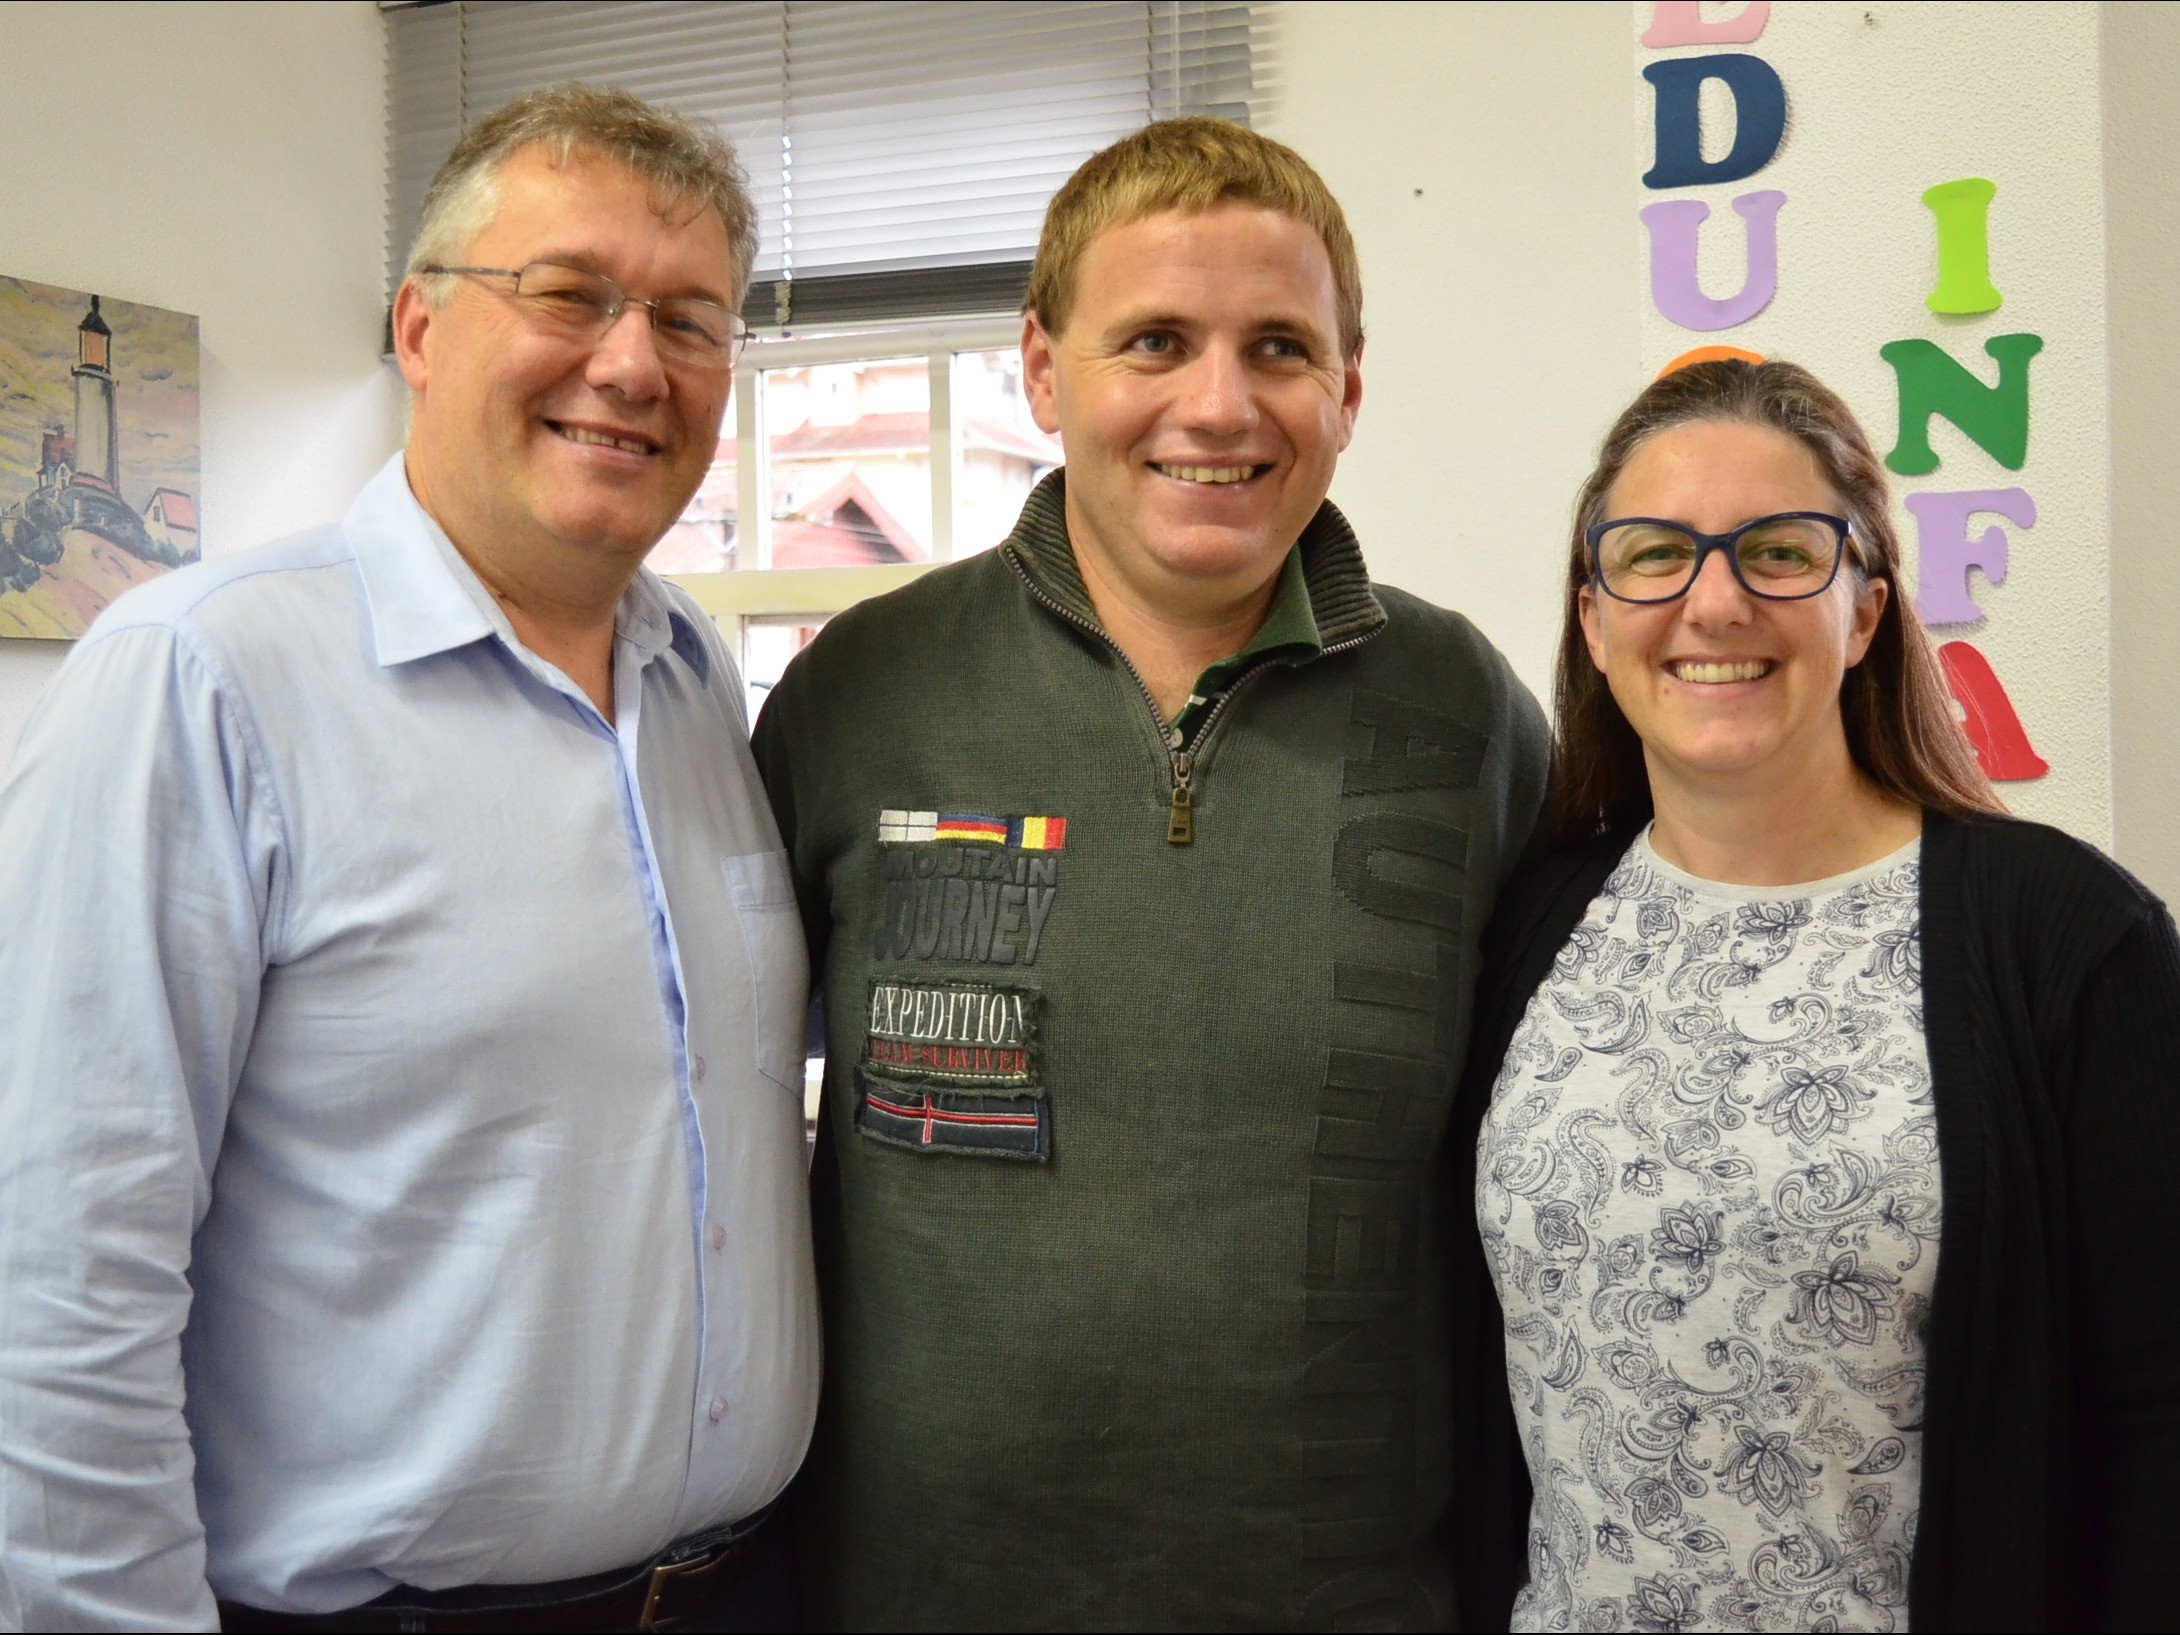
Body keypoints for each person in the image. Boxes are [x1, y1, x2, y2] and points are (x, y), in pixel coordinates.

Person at [0, 86, 817, 1632]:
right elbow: (54, 1279)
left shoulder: (695, 672)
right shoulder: (201, 679)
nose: (634, 365)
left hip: (744, 1587)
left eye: (692, 319)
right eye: (569, 294)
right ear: (421, 328)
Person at [750, 117, 1549, 1630]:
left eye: (1280, 348)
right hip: (909, 1594)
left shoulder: (1467, 715)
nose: (1219, 403)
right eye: (1157, 340)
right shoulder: (862, 694)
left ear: (1349, 390)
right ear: (1044, 370)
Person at [1450, 357, 2180, 1632]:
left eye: (1779, 553)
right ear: (1590, 618)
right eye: (1651, 554)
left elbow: (2158, 1417)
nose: (1713, 601)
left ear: (1866, 611)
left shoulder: (2072, 941)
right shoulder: (1528, 921)